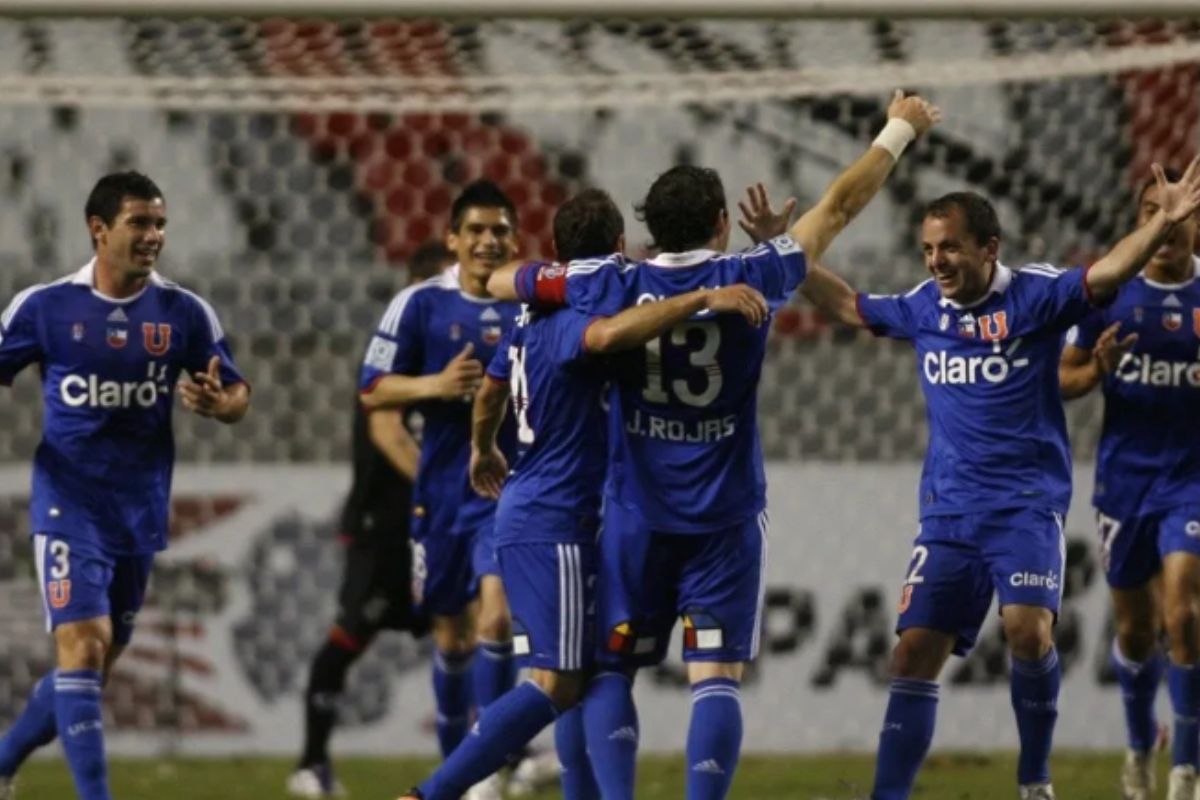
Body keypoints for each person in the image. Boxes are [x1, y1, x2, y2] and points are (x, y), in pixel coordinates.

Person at [487, 90, 941, 800]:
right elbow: (841, 207)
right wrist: (897, 131)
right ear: (722, 224)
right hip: (725, 514)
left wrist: (511, 279)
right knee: (715, 676)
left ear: (648, 232)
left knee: (610, 669)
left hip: (636, 511)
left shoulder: (619, 285)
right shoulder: (750, 276)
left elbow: (519, 289)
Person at [795, 159, 1200, 800]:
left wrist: (1161, 225)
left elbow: (1110, 272)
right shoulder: (923, 308)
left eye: (950, 246)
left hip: (1025, 506)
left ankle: (1034, 781)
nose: (936, 261)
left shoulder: (1037, 296)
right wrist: (783, 259)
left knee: (1028, 631)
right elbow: (845, 304)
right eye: (928, 248)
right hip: (949, 514)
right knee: (911, 653)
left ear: (990, 248)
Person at [395, 188, 771, 800]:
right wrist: (700, 296)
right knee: (555, 682)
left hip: (540, 511)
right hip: (559, 518)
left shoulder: (529, 315)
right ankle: (433, 792)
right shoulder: (575, 324)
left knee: (585, 671)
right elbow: (604, 338)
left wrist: (482, 448)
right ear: (619, 248)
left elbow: (490, 390)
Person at [0, 171, 250, 800]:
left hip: (138, 511)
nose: (153, 236)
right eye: (140, 223)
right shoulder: (45, 306)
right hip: (66, 500)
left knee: (87, 669)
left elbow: (238, 394)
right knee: (83, 646)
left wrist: (219, 403)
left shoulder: (184, 312)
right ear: (99, 229)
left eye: (160, 223)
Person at [358, 181, 522, 800]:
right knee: (451, 637)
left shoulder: (528, 303)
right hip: (441, 494)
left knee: (498, 618)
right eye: (476, 230)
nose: (488, 241)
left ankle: (490, 772)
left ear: (514, 238)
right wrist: (434, 386)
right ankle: (460, 767)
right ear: (453, 239)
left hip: (507, 491)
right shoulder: (419, 305)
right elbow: (372, 390)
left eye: (499, 230)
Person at [287, 242, 453, 799]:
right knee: (351, 634)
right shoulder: (395, 353)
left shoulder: (454, 348)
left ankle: (495, 759)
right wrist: (442, 488)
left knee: (470, 631)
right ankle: (311, 764)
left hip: (433, 523)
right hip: (383, 525)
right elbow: (387, 430)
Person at [1059, 168, 1200, 800]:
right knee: (1137, 634)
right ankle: (1141, 749)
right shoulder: (1111, 291)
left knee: (1184, 612)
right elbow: (1061, 378)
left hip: (1191, 479)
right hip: (1124, 483)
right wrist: (1096, 368)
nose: (1164, 224)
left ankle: (1187, 771)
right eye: (1150, 211)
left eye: (1174, 212)